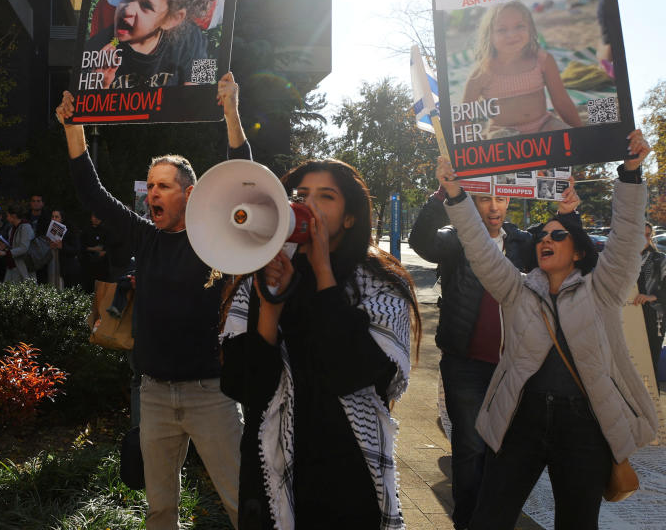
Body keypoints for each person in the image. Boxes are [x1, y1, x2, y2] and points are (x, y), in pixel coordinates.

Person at [435, 129, 659, 530]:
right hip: (521, 418)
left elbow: (625, 240)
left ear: (577, 250)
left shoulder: (603, 291)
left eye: (559, 235)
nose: (546, 239)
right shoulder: (516, 289)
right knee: (489, 519)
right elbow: (479, 247)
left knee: (577, 522)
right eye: (542, 235)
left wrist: (629, 174)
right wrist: (456, 195)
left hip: (584, 425)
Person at [56, 72, 247, 528]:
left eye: (163, 185)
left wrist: (231, 114)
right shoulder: (146, 234)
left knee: (244, 502)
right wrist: (72, 126)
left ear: (191, 193)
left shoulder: (213, 240)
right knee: (160, 509)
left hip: (211, 394)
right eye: (150, 185)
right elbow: (92, 193)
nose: (152, 193)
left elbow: (243, 182)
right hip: (155, 395)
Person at [219, 159, 421, 529]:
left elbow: (350, 371)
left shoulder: (381, 286)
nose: (308, 206)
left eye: (325, 197)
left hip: (344, 474)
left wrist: (323, 272)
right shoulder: (260, 277)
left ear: (349, 218)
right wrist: (270, 305)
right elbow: (242, 385)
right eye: (300, 196)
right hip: (269, 472)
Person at [409, 184, 577, 529]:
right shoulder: (456, 238)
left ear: (509, 200)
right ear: (472, 200)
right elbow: (422, 241)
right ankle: (468, 522)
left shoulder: (522, 243)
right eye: (485, 198)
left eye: (500, 198)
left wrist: (567, 214)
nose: (493, 206)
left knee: (504, 452)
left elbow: (565, 253)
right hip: (465, 364)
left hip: (514, 369)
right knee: (470, 449)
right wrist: (442, 193)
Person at [81, 0, 219, 90]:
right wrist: (97, 85)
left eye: (146, 5)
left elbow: (203, 89)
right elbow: (83, 104)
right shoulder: (98, 47)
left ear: (172, 19)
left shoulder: (194, 39)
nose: (127, 9)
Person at [462, 1, 583, 138]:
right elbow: (462, 116)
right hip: (501, 132)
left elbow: (562, 102)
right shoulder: (482, 72)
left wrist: (581, 134)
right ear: (489, 35)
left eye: (519, 26)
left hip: (544, 125)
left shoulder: (542, 60)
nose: (512, 34)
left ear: (530, 29)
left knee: (567, 137)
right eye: (502, 29)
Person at [633, 221, 666, 371]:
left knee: (649, 365)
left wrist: (651, 297)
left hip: (653, 318)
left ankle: (649, 395)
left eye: (647, 235)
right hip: (628, 317)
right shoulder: (624, 261)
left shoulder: (661, 259)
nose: (644, 238)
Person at [48, 209, 82, 289]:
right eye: (52, 217)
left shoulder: (71, 231)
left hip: (68, 268)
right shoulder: (49, 229)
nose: (54, 219)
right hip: (53, 265)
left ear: (62, 219)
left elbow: (76, 249)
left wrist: (62, 247)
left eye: (57, 217)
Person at [3, 204, 36, 284]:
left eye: (8, 215)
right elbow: (13, 245)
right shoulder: (12, 229)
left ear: (13, 216)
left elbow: (24, 248)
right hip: (13, 266)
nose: (7, 218)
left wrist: (7, 253)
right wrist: (4, 247)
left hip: (23, 266)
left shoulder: (25, 227)